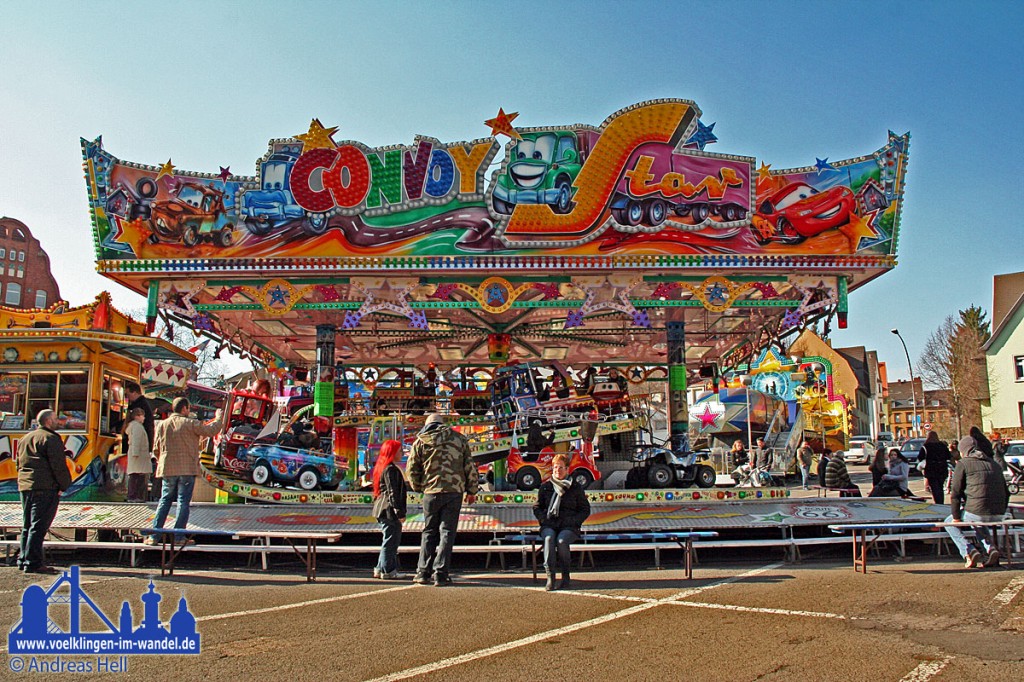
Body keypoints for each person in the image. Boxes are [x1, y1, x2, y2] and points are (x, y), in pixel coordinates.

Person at [407, 413, 478, 587]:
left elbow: (411, 469)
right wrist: (472, 490)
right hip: (454, 492)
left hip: (431, 492)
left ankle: (423, 572)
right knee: (447, 532)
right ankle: (441, 573)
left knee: (429, 531)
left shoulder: (421, 441)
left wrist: (419, 487)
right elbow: (469, 466)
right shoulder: (459, 439)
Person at [146, 398, 222, 545]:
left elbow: (156, 448)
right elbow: (211, 430)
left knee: (165, 500)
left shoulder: (162, 425)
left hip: (167, 468)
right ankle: (179, 537)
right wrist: (219, 417)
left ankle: (154, 536)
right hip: (187, 468)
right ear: (184, 409)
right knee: (183, 502)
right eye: (188, 408)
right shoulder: (190, 423)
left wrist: (162, 459)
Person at [17, 409, 72, 574]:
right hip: (45, 486)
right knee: (39, 526)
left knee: (27, 525)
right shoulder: (51, 439)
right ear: (48, 421)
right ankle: (33, 562)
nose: (58, 421)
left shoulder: (25, 438)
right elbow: (58, 466)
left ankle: (23, 558)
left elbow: (19, 463)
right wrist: (64, 485)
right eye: (55, 418)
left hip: (26, 486)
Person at [944, 436, 1010, 568]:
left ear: (963, 450)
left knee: (949, 522)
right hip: (999, 513)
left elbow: (955, 493)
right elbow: (1006, 492)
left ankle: (968, 550)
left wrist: (956, 518)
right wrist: (1001, 509)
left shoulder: (963, 464)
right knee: (978, 521)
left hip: (977, 511)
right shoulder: (994, 463)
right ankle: (990, 549)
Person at [533, 453, 591, 591]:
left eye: (560, 468)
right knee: (549, 538)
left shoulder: (575, 487)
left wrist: (575, 521)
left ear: (567, 469)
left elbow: (585, 509)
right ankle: (550, 578)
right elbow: (537, 507)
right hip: (549, 523)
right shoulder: (546, 487)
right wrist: (543, 519)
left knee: (561, 541)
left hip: (569, 525)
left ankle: (565, 577)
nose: (557, 470)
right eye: (555, 467)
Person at [371, 439, 407, 580]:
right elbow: (393, 492)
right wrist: (400, 513)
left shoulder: (382, 467)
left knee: (387, 540)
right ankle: (388, 570)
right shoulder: (391, 469)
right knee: (391, 541)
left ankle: (380, 568)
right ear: (392, 452)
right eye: (399, 450)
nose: (402, 453)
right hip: (389, 510)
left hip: (381, 508)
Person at [125, 407, 151, 502]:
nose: (144, 418)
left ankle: (134, 496)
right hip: (138, 455)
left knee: (135, 475)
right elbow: (136, 440)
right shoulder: (137, 427)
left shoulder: (133, 426)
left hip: (137, 455)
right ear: (137, 416)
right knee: (137, 476)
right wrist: (135, 454)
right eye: (142, 416)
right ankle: (135, 496)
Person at [920, 431, 951, 504]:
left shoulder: (926, 446)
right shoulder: (942, 446)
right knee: (940, 486)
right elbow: (948, 456)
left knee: (934, 487)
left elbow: (920, 457)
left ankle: (938, 502)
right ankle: (941, 501)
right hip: (942, 468)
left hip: (931, 469)